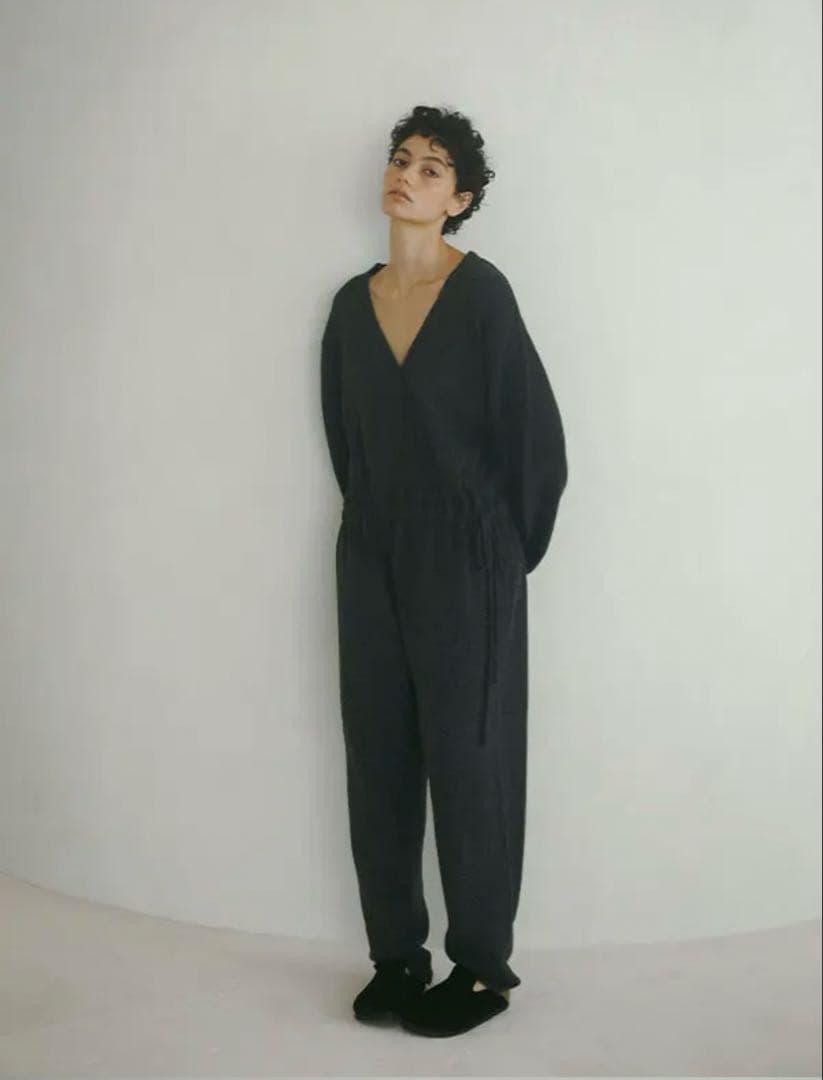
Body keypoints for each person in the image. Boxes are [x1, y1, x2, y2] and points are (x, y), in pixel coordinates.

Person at [320, 104, 568, 1037]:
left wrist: (498, 557)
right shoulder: (350, 306)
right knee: (377, 753)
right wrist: (378, 527)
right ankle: (396, 957)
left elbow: (536, 444)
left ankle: (481, 971)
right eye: (400, 159)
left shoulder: (481, 296)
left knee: (472, 759)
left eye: (430, 169)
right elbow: (346, 439)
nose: (406, 175)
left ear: (458, 199)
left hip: (469, 557)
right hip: (370, 549)